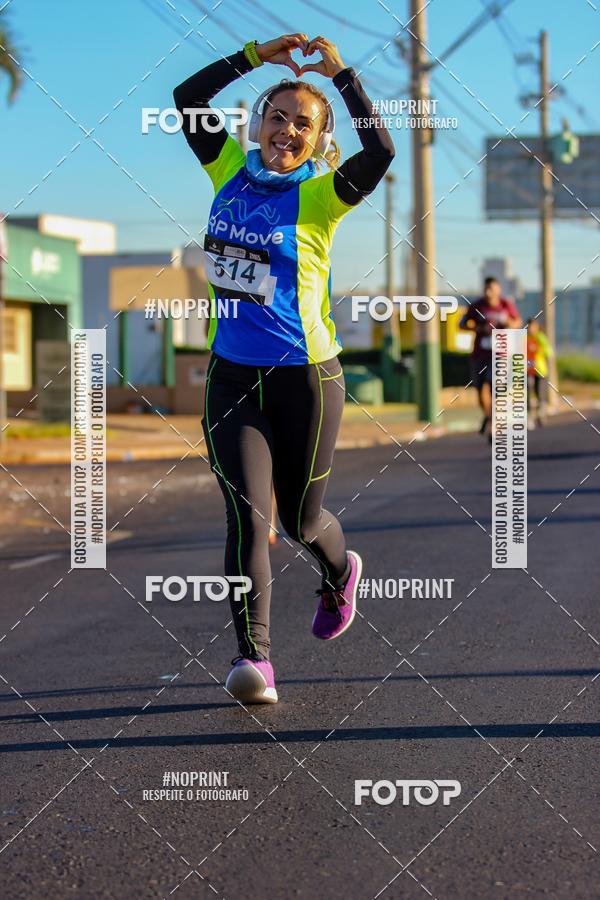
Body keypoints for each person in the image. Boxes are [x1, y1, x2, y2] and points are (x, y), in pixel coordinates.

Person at [173, 34, 394, 703]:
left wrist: (341, 75)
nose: (287, 130)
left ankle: (339, 572)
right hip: (232, 377)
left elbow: (381, 151)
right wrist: (254, 55)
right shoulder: (225, 169)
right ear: (256, 124)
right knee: (248, 516)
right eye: (277, 116)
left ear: (319, 142)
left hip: (308, 379)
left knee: (301, 521)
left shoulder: (324, 196)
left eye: (304, 124)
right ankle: (255, 661)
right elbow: (186, 97)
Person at [459, 277, 522, 442]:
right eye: (486, 289)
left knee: (494, 389)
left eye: (492, 289)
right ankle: (489, 417)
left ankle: (494, 426)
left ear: (498, 290)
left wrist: (508, 323)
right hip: (479, 354)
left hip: (499, 355)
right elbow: (462, 324)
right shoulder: (477, 306)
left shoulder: (505, 305)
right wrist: (479, 327)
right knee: (481, 393)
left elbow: (517, 322)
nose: (488, 292)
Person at [526, 317, 552, 428]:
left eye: (533, 326)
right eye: (530, 326)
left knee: (540, 393)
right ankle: (529, 416)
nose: (532, 329)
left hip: (540, 370)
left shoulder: (541, 338)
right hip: (527, 370)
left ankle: (540, 415)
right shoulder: (524, 338)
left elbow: (548, 352)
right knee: (528, 392)